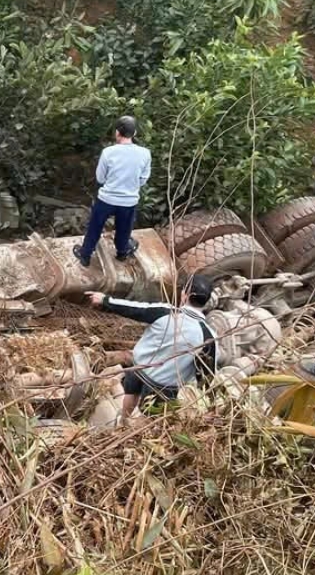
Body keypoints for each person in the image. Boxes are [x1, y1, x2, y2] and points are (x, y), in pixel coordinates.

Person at [86, 274, 218, 417]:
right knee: (149, 415)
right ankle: (130, 431)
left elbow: (134, 309)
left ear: (184, 295)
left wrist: (105, 300)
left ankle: (124, 417)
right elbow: (207, 375)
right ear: (206, 302)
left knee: (131, 394)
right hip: (164, 387)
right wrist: (209, 403)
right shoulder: (208, 336)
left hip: (139, 367)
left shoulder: (166, 312)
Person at [74, 115, 151, 268]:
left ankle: (85, 256)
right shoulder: (145, 153)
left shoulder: (108, 152)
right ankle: (122, 252)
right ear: (134, 133)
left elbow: (100, 178)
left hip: (107, 199)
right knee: (124, 228)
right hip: (129, 201)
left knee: (95, 226)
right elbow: (143, 179)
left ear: (117, 132)